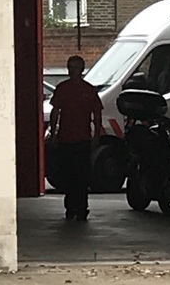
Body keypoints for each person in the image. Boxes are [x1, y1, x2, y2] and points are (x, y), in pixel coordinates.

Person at [49, 55, 103, 221]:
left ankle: (80, 207)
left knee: (81, 176)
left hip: (82, 140)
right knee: (69, 175)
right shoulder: (63, 89)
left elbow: (97, 114)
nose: (73, 70)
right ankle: (72, 207)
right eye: (71, 67)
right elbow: (55, 112)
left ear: (82, 69)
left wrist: (96, 136)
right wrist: (54, 132)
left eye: (76, 67)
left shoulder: (88, 90)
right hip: (66, 139)